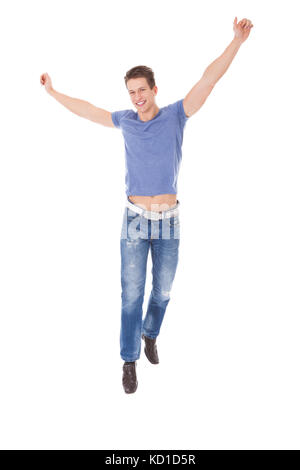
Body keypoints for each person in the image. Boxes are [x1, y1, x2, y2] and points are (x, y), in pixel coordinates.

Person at [40, 17, 253, 394]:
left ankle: (150, 334)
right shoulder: (125, 121)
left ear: (154, 89)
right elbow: (87, 109)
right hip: (135, 222)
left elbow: (208, 80)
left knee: (164, 291)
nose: (137, 97)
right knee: (131, 293)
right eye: (131, 92)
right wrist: (54, 94)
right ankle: (128, 360)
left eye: (142, 90)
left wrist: (236, 41)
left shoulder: (176, 115)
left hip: (169, 221)